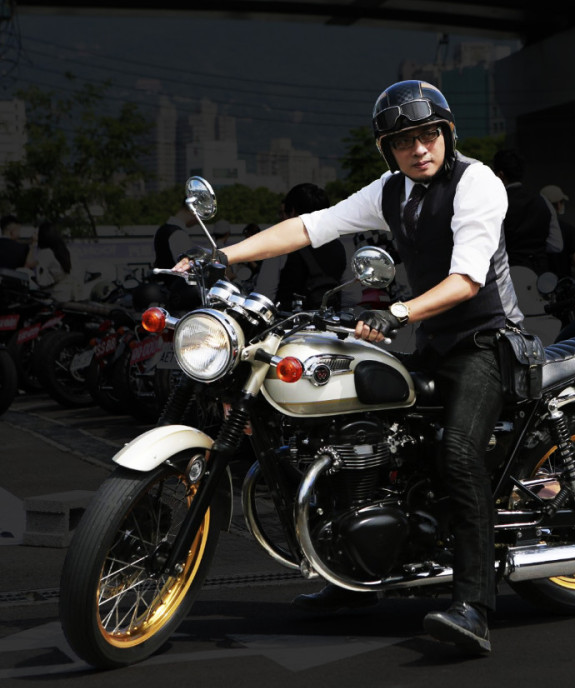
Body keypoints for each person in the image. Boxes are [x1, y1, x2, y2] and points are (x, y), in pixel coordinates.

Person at [174, 79, 523, 655]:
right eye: (404, 141)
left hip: (486, 342)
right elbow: (311, 226)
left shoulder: (476, 182)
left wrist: (397, 312)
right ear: (388, 150)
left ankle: (473, 607)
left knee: (459, 453)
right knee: (351, 432)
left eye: (428, 135)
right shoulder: (392, 190)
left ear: (447, 133)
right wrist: (221, 254)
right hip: (435, 342)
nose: (419, 149)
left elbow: (467, 279)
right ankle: (351, 575)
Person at [274, 183, 347, 310]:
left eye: (284, 213)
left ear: (293, 211)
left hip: (289, 320)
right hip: (329, 318)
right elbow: (353, 296)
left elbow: (264, 293)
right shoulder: (341, 246)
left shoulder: (280, 247)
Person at [492, 149, 562, 275]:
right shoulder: (543, 201)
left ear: (500, 175)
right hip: (539, 274)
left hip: (507, 273)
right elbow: (557, 245)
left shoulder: (495, 203)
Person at [540, 185, 575, 277]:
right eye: (562, 202)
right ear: (558, 204)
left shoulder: (534, 227)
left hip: (539, 279)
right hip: (562, 279)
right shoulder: (568, 229)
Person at [25, 221, 75, 301]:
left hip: (55, 295)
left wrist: (33, 244)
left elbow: (29, 264)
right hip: (68, 292)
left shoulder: (46, 253)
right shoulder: (64, 250)